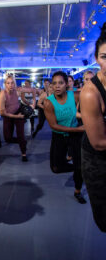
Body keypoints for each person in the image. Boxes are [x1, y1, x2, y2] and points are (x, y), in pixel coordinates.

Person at [43, 71, 86, 204]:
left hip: (75, 136)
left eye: (61, 83)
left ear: (66, 85)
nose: (57, 86)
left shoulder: (76, 96)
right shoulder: (48, 103)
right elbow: (54, 126)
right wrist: (77, 129)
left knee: (79, 167)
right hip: (59, 136)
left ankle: (77, 191)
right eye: (54, 83)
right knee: (56, 168)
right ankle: (79, 168)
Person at [80, 22, 106, 230]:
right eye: (105, 57)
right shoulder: (90, 92)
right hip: (99, 160)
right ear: (97, 59)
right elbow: (99, 143)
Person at [0, 75, 31, 161]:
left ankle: (24, 154)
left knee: (21, 135)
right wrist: (16, 116)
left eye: (12, 83)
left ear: (15, 84)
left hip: (18, 112)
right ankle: (23, 142)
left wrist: (33, 103)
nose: (10, 85)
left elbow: (33, 90)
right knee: (7, 138)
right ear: (5, 84)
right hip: (8, 115)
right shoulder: (2, 94)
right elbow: (2, 112)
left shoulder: (18, 91)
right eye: (8, 83)